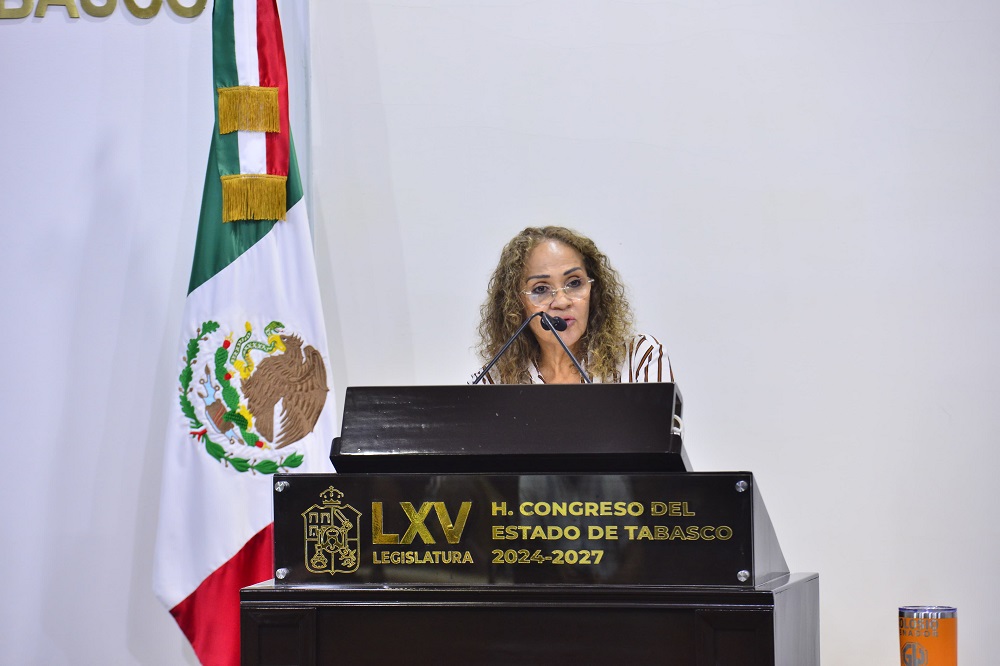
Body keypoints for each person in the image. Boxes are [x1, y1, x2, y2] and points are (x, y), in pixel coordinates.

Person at [475, 226, 672, 384]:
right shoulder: (494, 381)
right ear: (515, 304)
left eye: (574, 283)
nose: (562, 302)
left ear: (594, 290)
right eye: (541, 289)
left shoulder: (638, 358)